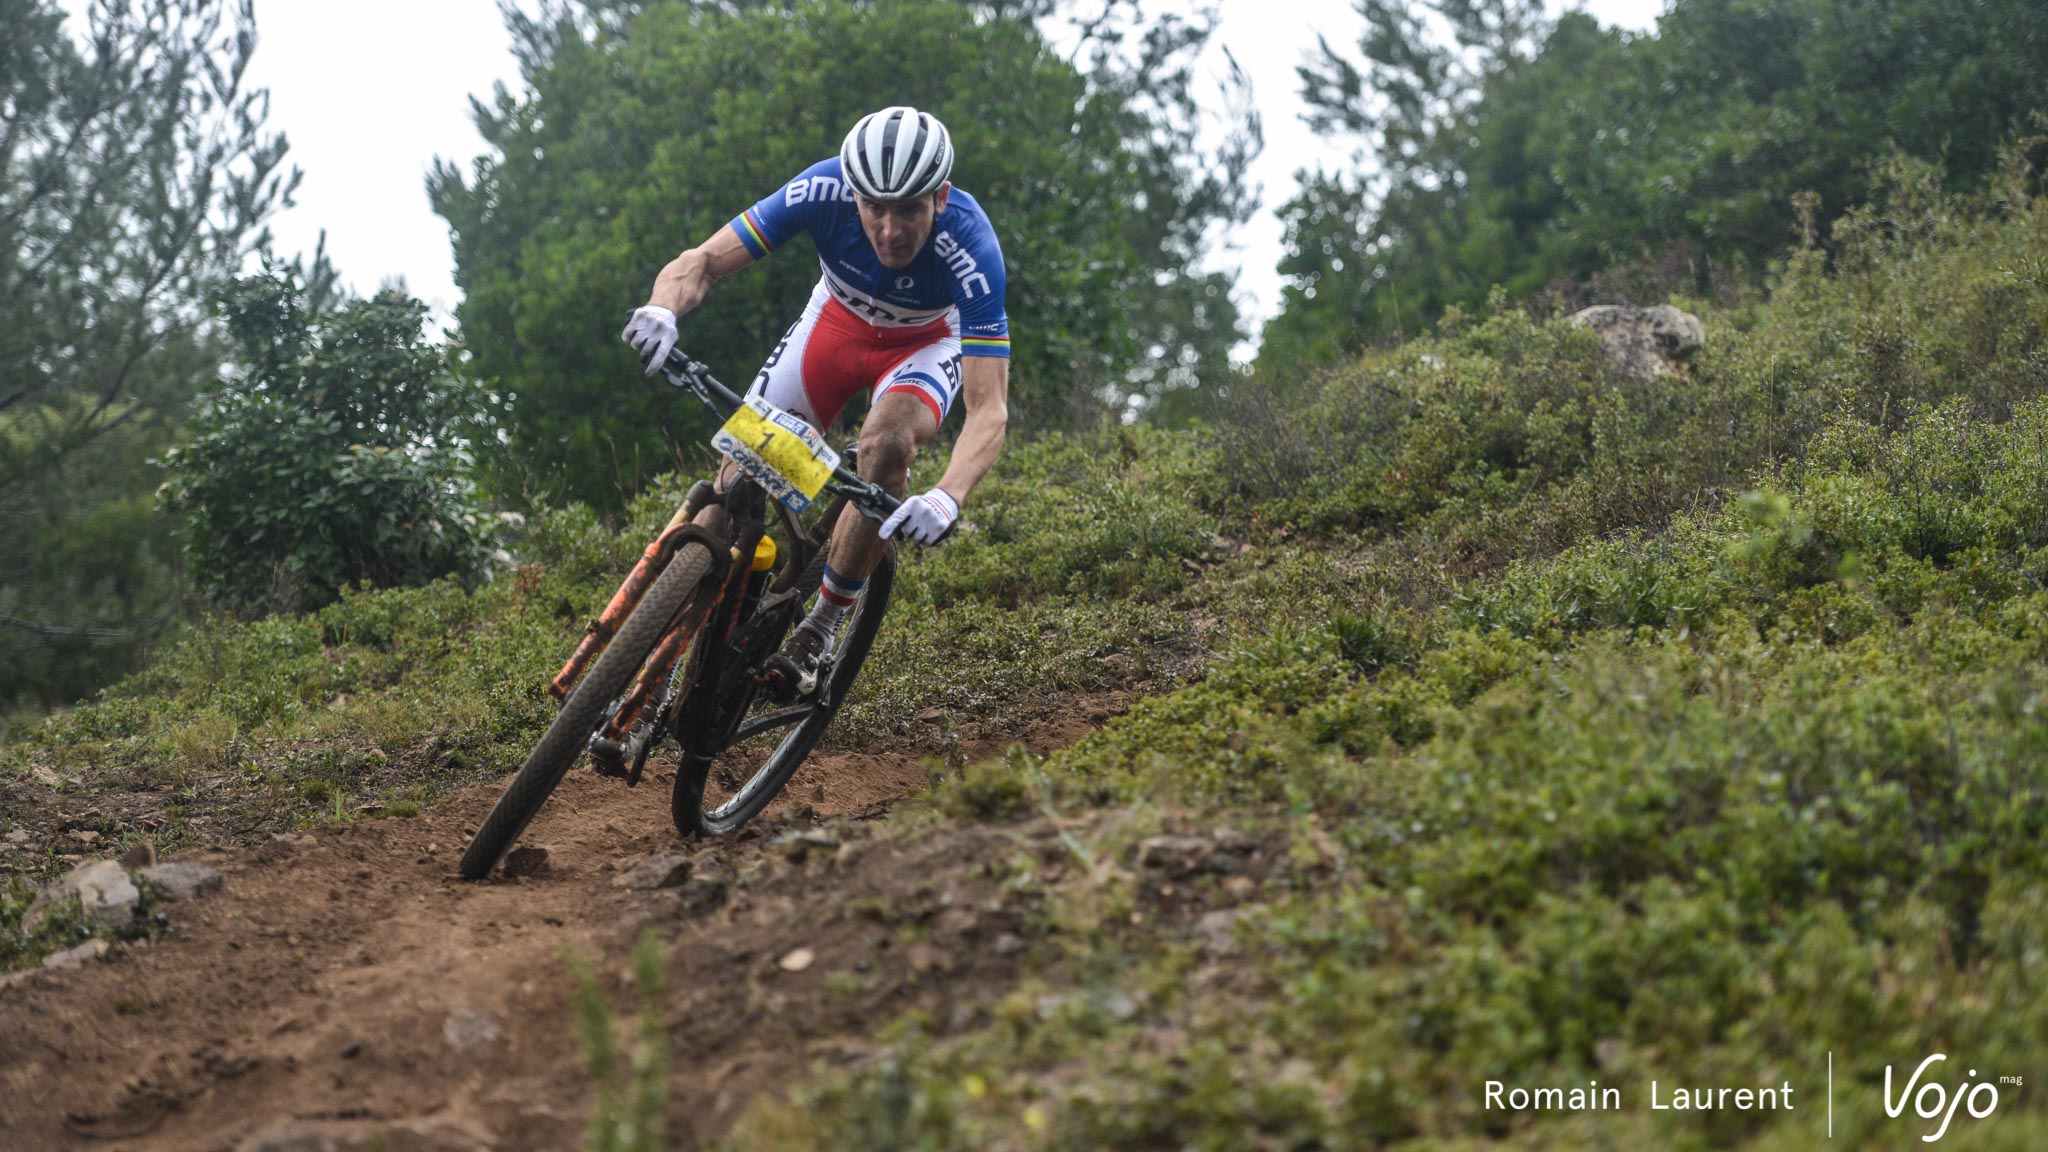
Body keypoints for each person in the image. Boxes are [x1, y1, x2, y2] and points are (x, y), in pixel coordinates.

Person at [620, 106, 1010, 693]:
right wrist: (660, 310)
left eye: (908, 208)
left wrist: (949, 496)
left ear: (941, 197)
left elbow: (988, 409)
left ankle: (821, 629)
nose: (890, 229)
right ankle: (660, 670)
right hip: (835, 324)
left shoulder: (974, 250)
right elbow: (702, 261)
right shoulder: (820, 188)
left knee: (886, 447)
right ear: (853, 194)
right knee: (735, 484)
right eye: (874, 207)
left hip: (926, 342)